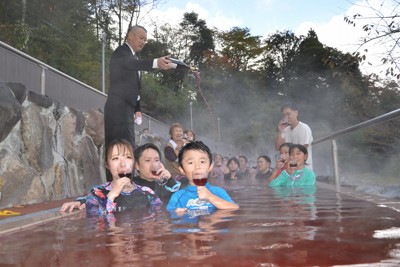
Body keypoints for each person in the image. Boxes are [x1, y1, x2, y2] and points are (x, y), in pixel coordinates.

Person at [104, 25, 173, 150]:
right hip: (118, 108)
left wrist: (137, 109)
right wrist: (156, 62)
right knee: (121, 149)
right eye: (141, 38)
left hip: (127, 109)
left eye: (145, 40)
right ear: (130, 35)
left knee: (126, 148)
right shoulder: (121, 52)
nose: (143, 42)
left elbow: (133, 87)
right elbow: (131, 64)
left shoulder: (134, 58)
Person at [85, 139, 162, 216]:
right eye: (115, 158)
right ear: (107, 165)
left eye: (128, 157)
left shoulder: (147, 192)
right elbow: (94, 222)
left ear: (134, 163)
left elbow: (159, 220)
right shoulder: (96, 193)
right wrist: (111, 196)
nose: (123, 164)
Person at [167, 141, 239, 212]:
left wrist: (210, 197)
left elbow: (234, 207)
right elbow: (169, 216)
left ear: (210, 167)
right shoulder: (177, 197)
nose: (197, 167)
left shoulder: (218, 192)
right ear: (182, 170)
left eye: (202, 162)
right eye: (190, 163)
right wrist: (176, 214)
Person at [275, 102, 313, 169]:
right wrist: (280, 131)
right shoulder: (286, 130)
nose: (286, 117)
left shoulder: (304, 128)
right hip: (290, 170)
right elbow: (278, 148)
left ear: (296, 113)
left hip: (303, 170)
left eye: (288, 114)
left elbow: (302, 150)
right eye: (284, 115)